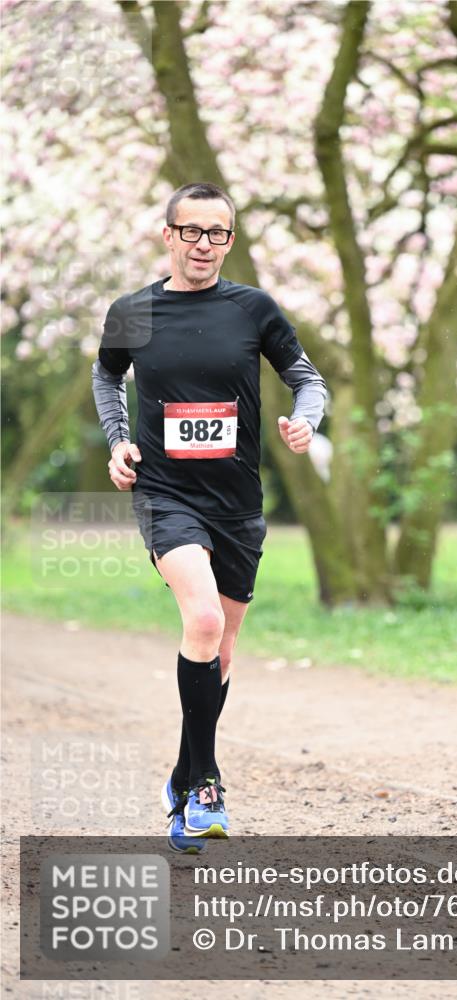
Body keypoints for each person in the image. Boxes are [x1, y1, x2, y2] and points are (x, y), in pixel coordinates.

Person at [92, 182, 327, 851]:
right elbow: (106, 376)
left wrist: (303, 423)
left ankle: (183, 773)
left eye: (216, 233)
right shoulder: (133, 311)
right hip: (165, 493)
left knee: (220, 651)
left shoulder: (252, 309)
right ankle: (206, 786)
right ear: (167, 236)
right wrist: (118, 441)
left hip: (236, 502)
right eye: (190, 232)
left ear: (230, 239)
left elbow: (307, 379)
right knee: (202, 619)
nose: (203, 245)